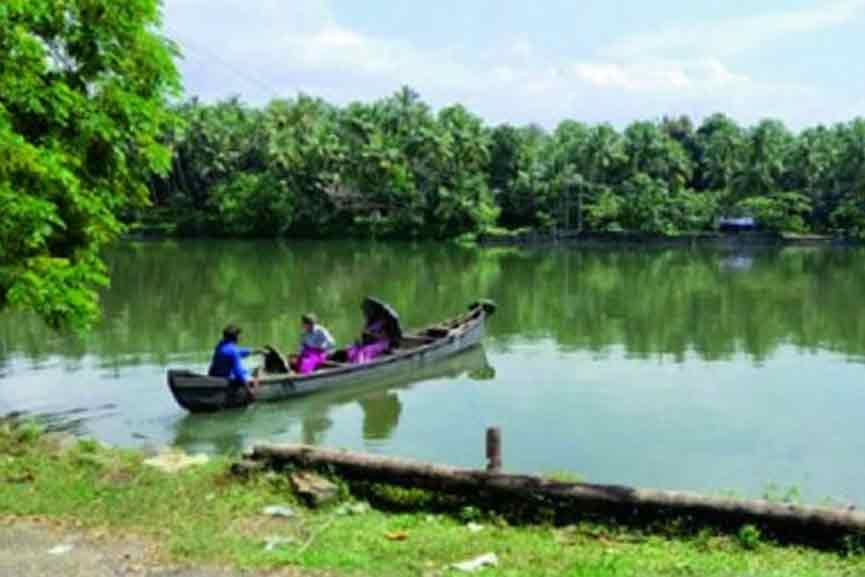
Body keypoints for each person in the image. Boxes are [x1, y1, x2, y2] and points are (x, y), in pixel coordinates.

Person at [208, 324, 262, 389]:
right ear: (235, 337)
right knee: (258, 370)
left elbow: (238, 352)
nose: (240, 338)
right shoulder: (233, 351)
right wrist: (249, 390)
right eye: (239, 336)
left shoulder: (220, 346)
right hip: (227, 380)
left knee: (251, 371)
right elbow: (239, 373)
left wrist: (255, 351)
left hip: (214, 376)